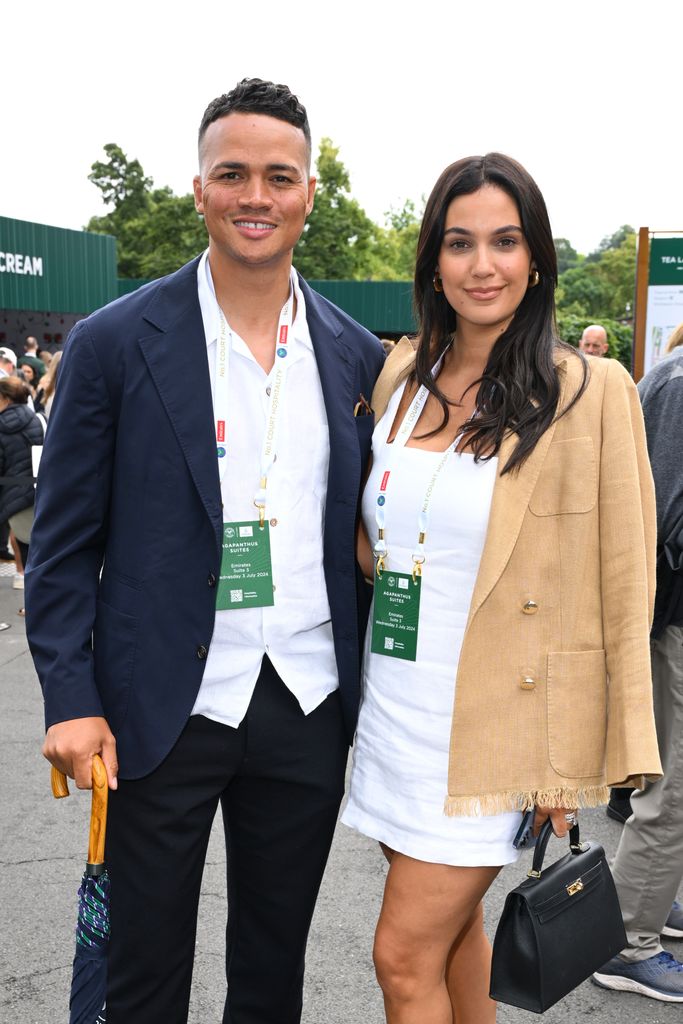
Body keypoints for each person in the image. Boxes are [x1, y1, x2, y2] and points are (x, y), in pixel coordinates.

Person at [26, 78, 384, 1024]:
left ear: (310, 193)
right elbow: (59, 550)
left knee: (272, 972)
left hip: (306, 699)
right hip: (158, 708)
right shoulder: (112, 343)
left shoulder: (358, 358)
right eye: (233, 174)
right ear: (199, 189)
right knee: (141, 973)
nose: (255, 196)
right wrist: (71, 698)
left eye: (278, 176)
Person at [340, 152, 662, 1024]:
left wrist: (576, 756)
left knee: (400, 955)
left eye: (504, 241)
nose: (481, 265)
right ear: (432, 264)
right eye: (459, 242)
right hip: (396, 705)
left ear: (535, 259)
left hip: (500, 722)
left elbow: (622, 583)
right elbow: (382, 535)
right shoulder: (400, 376)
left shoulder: (590, 392)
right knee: (449, 943)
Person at [592, 338, 683, 1003]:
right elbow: (669, 514)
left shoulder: (666, 373)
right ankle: (628, 941)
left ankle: (650, 903)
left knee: (665, 773)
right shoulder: (678, 382)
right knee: (672, 787)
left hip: (662, 606)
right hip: (675, 610)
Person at [0, 376, 44, 599]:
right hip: (37, 489)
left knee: (22, 543)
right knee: (35, 544)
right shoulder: (35, 419)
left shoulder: (1, 423)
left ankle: (33, 602)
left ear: (5, 397)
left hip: (12, 492)